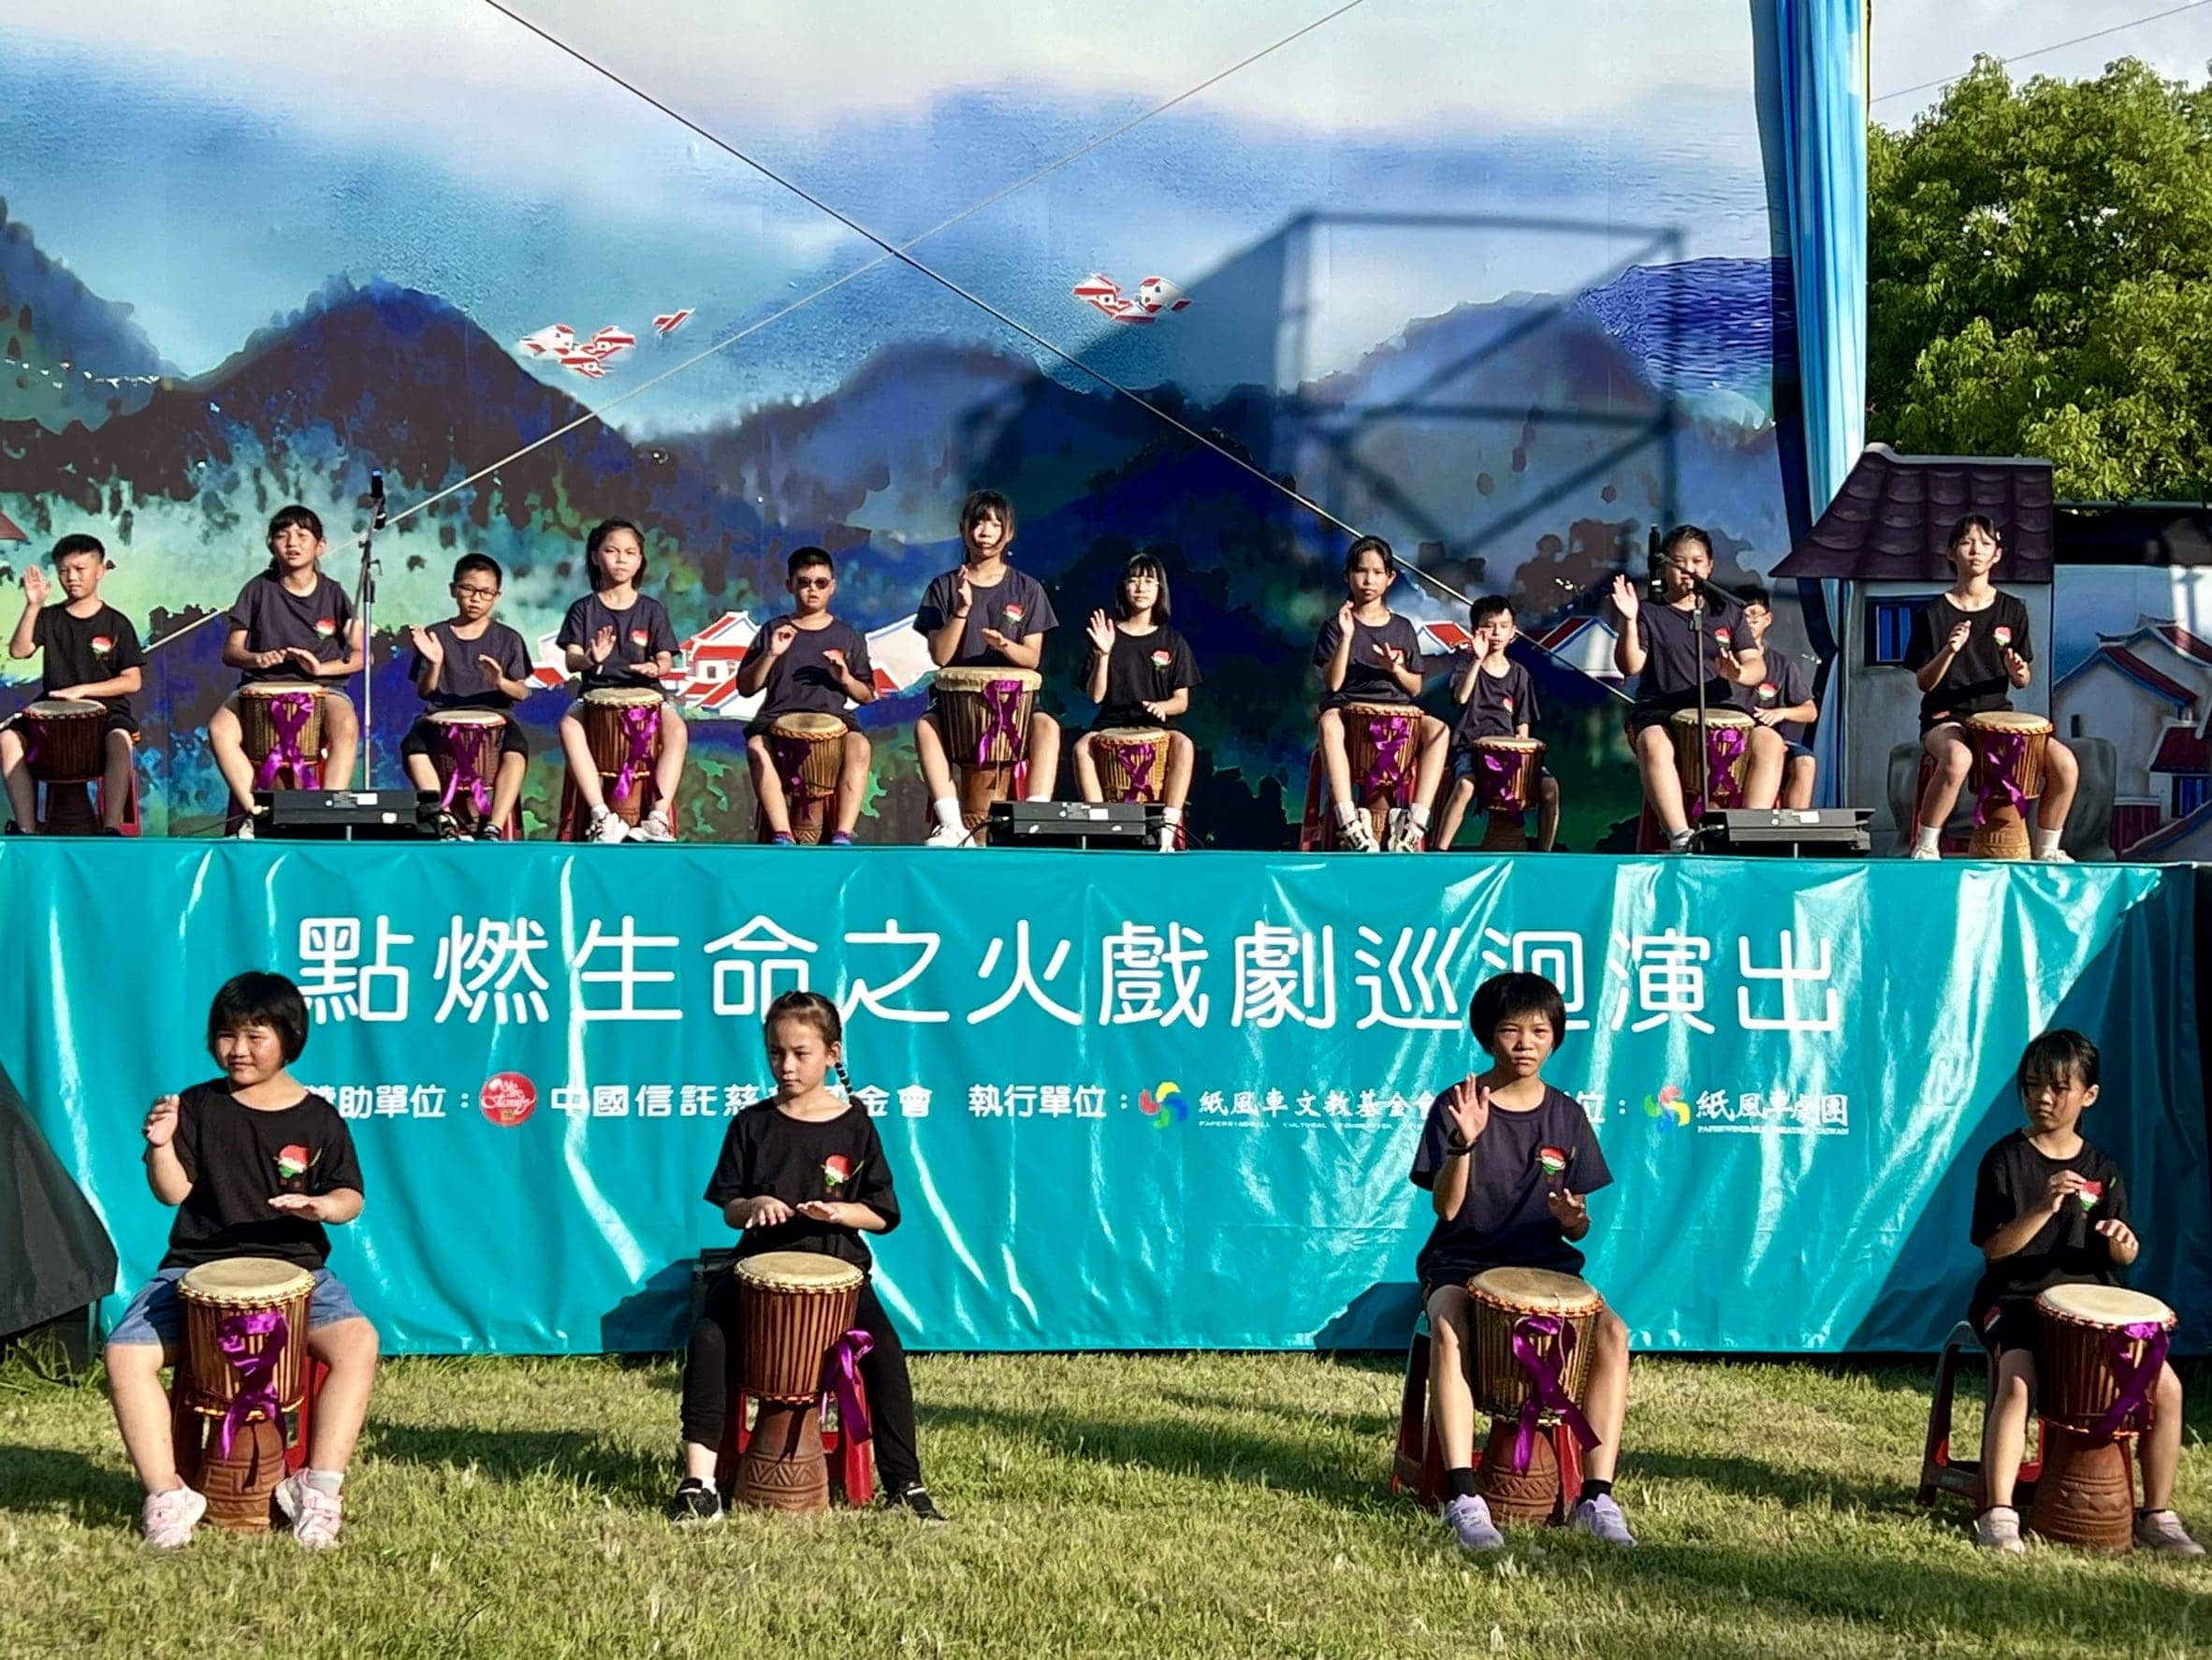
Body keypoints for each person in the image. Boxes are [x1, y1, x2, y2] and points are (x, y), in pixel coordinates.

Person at [102, 971, 379, 1551]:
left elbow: (350, 1197)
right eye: (227, 1035)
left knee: (358, 1343)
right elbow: (172, 1192)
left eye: (256, 1036)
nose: (238, 1049)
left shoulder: (319, 1118)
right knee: (125, 1354)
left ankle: (319, 1488)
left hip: (299, 1274)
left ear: (289, 1038)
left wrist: (321, 1206)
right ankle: (167, 1494)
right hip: (192, 1270)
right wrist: (160, 1145)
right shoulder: (198, 1105)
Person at [669, 990, 944, 1525]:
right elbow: (730, 1209)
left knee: (886, 1352)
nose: (786, 1065)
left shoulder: (855, 1125)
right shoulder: (752, 1123)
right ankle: (699, 1483)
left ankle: (905, 1484)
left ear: (832, 1054)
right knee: (707, 1338)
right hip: (755, 1275)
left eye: (800, 1053)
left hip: (840, 1277)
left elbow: (882, 1214)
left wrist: (841, 1213)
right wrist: (755, 1205)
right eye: (776, 1053)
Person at [1411, 971, 1635, 1551]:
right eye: (1511, 1030)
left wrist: (1571, 1218)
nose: (1525, 1043)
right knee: (1449, 1326)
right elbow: (1447, 1207)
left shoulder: (1566, 1116)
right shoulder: (1457, 1105)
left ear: (1556, 1037)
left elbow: (1579, 1225)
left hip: (1544, 1268)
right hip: (1460, 1261)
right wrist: (1463, 1142)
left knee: (1614, 1333)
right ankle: (1463, 1496)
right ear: (1488, 1036)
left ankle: (1596, 1498)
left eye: (1539, 1031)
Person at [1965, 1028, 2199, 1556]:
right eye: (2032, 1085)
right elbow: (1994, 1250)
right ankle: (1998, 1513)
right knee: (2018, 1381)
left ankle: (2157, 1516)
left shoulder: (2103, 1168)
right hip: (2015, 1299)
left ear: (2088, 1095)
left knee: (2167, 1388)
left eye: (2057, 1087)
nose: (2042, 1098)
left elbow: (2120, 1256)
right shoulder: (2004, 1160)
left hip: (2091, 1306)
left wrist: (2122, 1244)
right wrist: (2041, 1208)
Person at [1902, 514, 2078, 862]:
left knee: (2065, 763)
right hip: (1945, 718)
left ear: (1996, 555)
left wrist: (2018, 671)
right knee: (1958, 758)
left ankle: (2048, 850)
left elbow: (2023, 680)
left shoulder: (2012, 609)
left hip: (1996, 717)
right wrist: (1949, 651)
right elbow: (1925, 682)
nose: (1976, 550)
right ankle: (1926, 845)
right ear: (1951, 553)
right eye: (1967, 543)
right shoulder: (1933, 613)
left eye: (1985, 543)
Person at [1609, 525, 1778, 850]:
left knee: (1769, 741)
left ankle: (1748, 833)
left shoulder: (1728, 611)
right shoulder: (1649, 612)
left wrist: (1738, 672)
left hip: (1721, 707)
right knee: (1653, 742)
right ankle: (1680, 836)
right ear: (1664, 567)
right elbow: (1630, 666)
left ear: (1710, 566)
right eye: (1679, 562)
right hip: (1662, 709)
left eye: (1697, 562)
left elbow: (1756, 666)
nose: (1688, 569)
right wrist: (1629, 620)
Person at [913, 490, 1060, 846]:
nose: (986, 531)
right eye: (979, 523)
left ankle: (1035, 820)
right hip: (956, 706)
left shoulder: (1027, 589)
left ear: (1009, 533)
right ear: (964, 529)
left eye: (995, 524)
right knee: (925, 727)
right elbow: (941, 656)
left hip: (1016, 704)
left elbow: (1032, 659)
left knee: (1047, 727)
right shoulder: (944, 587)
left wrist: (1004, 645)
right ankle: (952, 824)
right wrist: (961, 610)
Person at [208, 505, 364, 826]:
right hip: (259, 687)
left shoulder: (333, 593)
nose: (292, 543)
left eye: (302, 535)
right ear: (271, 544)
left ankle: (328, 811)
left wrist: (320, 669)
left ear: (320, 546)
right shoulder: (257, 589)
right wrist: (256, 658)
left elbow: (362, 655)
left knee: (347, 725)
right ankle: (255, 811)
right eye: (282, 535)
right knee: (219, 730)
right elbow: (232, 651)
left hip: (323, 690)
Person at [555, 518, 688, 844]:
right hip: (595, 695)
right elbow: (572, 660)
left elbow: (666, 660)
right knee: (568, 726)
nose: (621, 559)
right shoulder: (583, 609)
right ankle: (601, 815)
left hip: (648, 697)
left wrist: (656, 668)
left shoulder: (652, 610)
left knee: (678, 731)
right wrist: (591, 658)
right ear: (595, 556)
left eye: (630, 552)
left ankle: (657, 817)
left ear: (640, 560)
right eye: (612, 551)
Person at [1313, 535, 1448, 852]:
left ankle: (1414, 824)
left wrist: (1395, 669)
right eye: (1361, 571)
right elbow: (1333, 684)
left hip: (1397, 717)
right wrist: (1347, 638)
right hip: (1349, 714)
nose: (1369, 580)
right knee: (1328, 721)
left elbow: (1414, 687)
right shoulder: (1335, 626)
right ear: (1348, 576)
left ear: (1390, 578)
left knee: (1439, 730)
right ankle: (1349, 823)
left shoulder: (1402, 627)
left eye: (1377, 572)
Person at [1, 533, 142, 833]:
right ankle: (27, 829)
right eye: (64, 570)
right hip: (51, 713)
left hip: (107, 712)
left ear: (100, 570)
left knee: (120, 740)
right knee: (8, 739)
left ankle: (110, 828)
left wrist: (83, 691)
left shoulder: (116, 623)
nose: (72, 577)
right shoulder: (49, 617)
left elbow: (132, 681)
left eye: (80, 569)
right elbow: (19, 651)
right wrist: (33, 605)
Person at [737, 546, 876, 846]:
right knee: (756, 747)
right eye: (804, 582)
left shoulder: (846, 635)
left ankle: (842, 833)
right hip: (777, 721)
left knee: (860, 746)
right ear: (790, 585)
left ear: (832, 587)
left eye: (821, 583)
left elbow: (867, 695)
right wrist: (771, 654)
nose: (812, 590)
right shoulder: (774, 629)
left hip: (834, 721)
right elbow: (746, 687)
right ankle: (782, 833)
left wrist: (845, 678)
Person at [1071, 551, 1201, 851]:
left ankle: (1167, 830)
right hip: (1111, 723)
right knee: (1081, 748)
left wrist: (1162, 707)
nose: (1140, 587)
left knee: (1184, 745)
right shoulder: (1108, 633)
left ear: (1160, 590)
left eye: (1149, 581)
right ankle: (1102, 828)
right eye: (1133, 580)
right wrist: (1103, 655)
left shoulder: (1172, 641)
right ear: (1123, 587)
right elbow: (1096, 696)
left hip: (1156, 727)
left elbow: (1181, 701)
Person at [400, 553, 533, 838]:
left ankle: (494, 826)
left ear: (496, 597)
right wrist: (435, 663)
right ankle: (441, 816)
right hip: (438, 720)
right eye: (468, 589)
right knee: (412, 745)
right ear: (453, 589)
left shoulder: (508, 638)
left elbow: (522, 692)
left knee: (517, 751)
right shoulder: (436, 634)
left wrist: (500, 681)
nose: (476, 598)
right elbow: (424, 692)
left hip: (496, 721)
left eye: (485, 592)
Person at [1431, 594, 1558, 852]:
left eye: (1503, 626)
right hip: (1470, 749)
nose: (1497, 632)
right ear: (1476, 631)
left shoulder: (1519, 673)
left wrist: (1523, 751)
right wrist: (1477, 660)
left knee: (1549, 787)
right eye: (1489, 626)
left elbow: (1523, 723)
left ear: (1513, 632)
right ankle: (1439, 850)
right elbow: (1461, 697)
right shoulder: (1466, 666)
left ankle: (1545, 852)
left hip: (1509, 753)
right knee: (1465, 785)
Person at [1733, 585, 1819, 811]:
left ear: (1767, 619)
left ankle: (1793, 829)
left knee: (1805, 762)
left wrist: (1781, 712)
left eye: (1754, 615)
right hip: (1729, 738)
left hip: (1771, 738)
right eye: (1742, 616)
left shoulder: (1782, 664)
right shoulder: (1722, 660)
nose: (1748, 622)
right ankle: (1754, 822)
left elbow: (1810, 711)